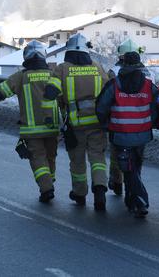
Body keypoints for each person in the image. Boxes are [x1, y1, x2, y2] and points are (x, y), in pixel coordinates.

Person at [0, 41, 60, 203]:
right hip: (52, 127)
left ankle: (46, 187)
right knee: (50, 157)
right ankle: (49, 182)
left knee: (38, 159)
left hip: (32, 130)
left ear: (26, 56)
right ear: (44, 55)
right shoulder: (53, 74)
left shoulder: (20, 77)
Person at [44, 33, 109, 210]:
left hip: (75, 125)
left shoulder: (62, 69)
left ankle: (80, 194)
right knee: (97, 158)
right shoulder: (97, 67)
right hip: (97, 124)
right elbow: (108, 90)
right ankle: (100, 190)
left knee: (78, 161)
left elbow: (52, 91)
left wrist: (51, 93)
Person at [96, 51, 159, 218]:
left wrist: (106, 125)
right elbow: (156, 108)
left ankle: (140, 201)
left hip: (121, 135)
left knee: (128, 169)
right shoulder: (148, 85)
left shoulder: (114, 85)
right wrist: (148, 123)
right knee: (135, 167)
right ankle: (132, 201)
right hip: (142, 135)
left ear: (123, 65)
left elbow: (101, 107)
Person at [106, 38, 152, 196]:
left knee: (116, 155)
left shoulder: (113, 72)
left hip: (119, 124)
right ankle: (133, 186)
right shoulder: (146, 73)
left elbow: (106, 97)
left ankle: (117, 180)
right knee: (137, 159)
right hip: (141, 125)